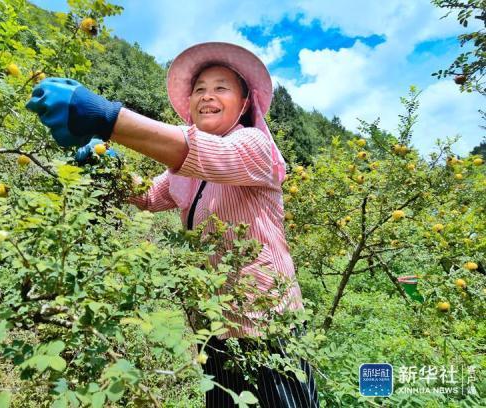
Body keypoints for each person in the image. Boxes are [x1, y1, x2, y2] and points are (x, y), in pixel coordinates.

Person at [26, 41, 319, 408]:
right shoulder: (183, 173)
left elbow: (211, 155)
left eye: (220, 88)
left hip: (268, 325)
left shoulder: (253, 145)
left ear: (244, 104)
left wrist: (105, 116)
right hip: (213, 325)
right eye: (199, 89)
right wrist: (109, 167)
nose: (207, 96)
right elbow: (148, 198)